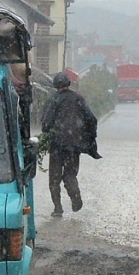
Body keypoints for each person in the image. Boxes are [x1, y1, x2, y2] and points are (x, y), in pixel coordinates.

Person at [40, 72, 101, 215]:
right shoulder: (78, 99)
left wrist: (49, 132)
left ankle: (58, 208)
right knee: (70, 175)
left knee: (54, 178)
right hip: (74, 146)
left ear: (55, 85)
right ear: (68, 84)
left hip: (56, 146)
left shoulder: (53, 100)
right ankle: (76, 197)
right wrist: (88, 136)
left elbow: (46, 123)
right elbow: (92, 119)